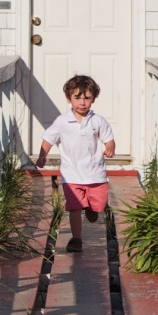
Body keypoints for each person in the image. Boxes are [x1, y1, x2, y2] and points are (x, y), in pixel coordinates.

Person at [35, 75, 115, 253]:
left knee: (99, 205)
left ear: (93, 98)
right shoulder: (62, 121)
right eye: (77, 98)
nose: (82, 102)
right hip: (72, 175)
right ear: (68, 99)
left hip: (95, 173)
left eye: (87, 97)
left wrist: (109, 148)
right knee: (74, 208)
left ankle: (92, 208)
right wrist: (42, 156)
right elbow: (48, 139)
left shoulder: (98, 120)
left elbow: (109, 139)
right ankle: (76, 239)